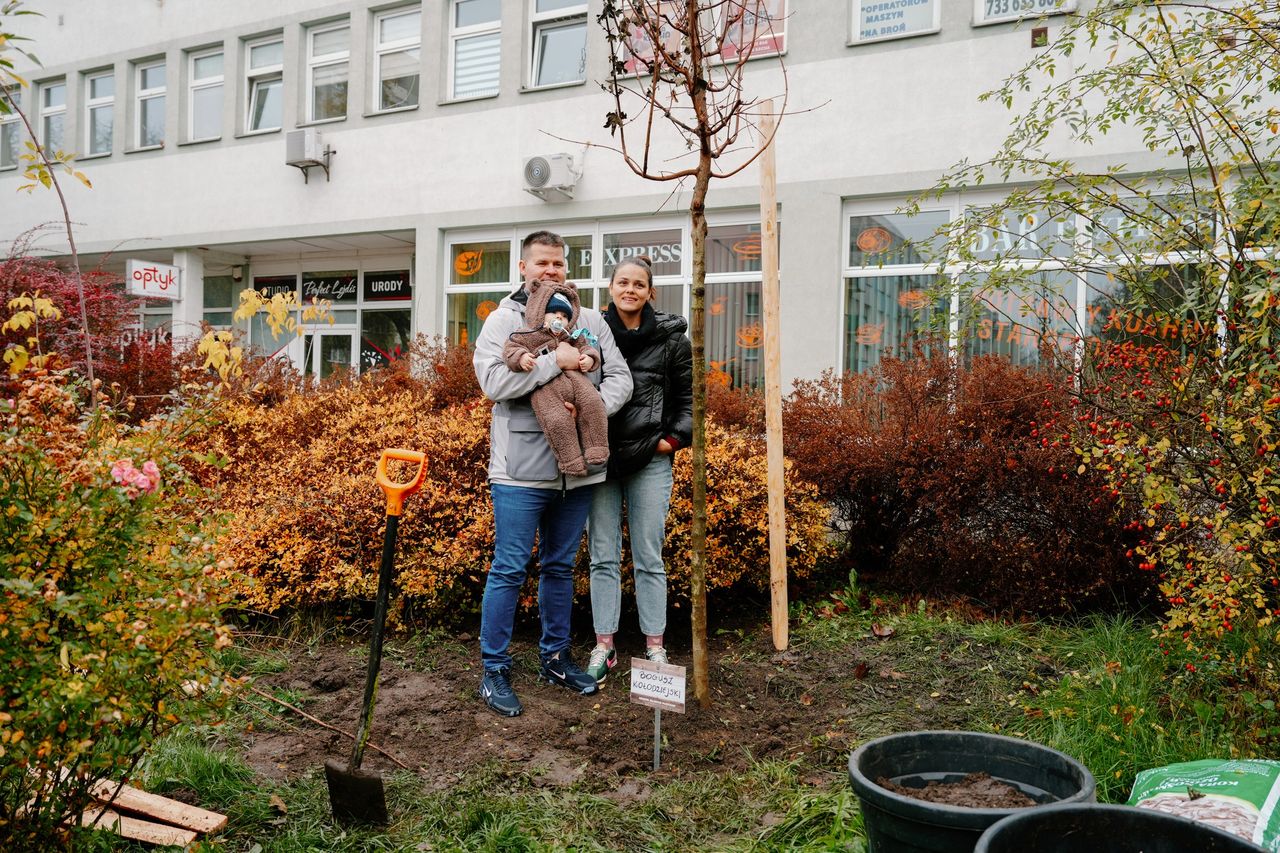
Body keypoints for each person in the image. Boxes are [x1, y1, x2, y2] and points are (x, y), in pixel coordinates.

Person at [472, 230, 632, 717]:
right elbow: (493, 381)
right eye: (542, 263)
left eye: (559, 264)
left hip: (578, 470)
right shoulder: (503, 320)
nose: (551, 271)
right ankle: (494, 669)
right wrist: (551, 362)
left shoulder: (589, 321)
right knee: (509, 568)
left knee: (560, 568)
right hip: (520, 472)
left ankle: (556, 658)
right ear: (523, 267)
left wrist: (588, 411)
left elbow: (619, 376)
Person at [585, 256, 692, 684]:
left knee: (650, 557)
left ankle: (654, 648)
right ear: (611, 288)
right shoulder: (590, 334)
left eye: (639, 284)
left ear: (651, 292)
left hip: (650, 460)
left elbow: (687, 403)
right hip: (601, 459)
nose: (630, 290)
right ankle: (604, 647)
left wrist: (670, 442)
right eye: (622, 282)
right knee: (602, 556)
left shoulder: (672, 341)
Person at [502, 285, 610, 477]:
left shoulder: (571, 336)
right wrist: (521, 358)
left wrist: (589, 359)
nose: (559, 318)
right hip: (546, 389)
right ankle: (571, 461)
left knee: (594, 404)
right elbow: (511, 350)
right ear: (539, 313)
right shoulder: (527, 334)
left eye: (564, 315)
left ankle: (597, 449)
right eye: (553, 313)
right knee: (557, 420)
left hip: (577, 382)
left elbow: (587, 348)